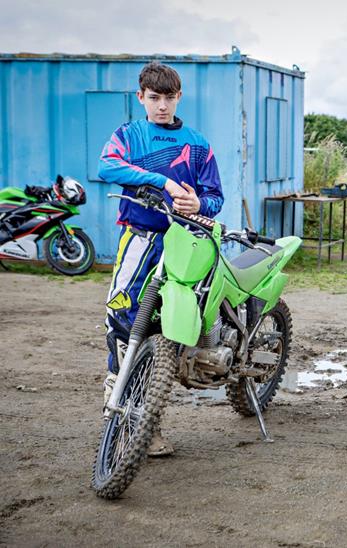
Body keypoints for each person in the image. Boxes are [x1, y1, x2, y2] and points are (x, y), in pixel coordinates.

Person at [99, 61, 224, 456]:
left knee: (169, 329)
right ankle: (115, 409)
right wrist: (164, 181)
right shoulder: (130, 135)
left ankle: (146, 423)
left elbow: (215, 197)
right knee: (122, 315)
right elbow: (107, 166)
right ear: (141, 98)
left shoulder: (198, 143)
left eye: (169, 98)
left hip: (184, 241)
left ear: (179, 97)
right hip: (139, 238)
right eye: (154, 98)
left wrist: (198, 202)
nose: (162, 106)